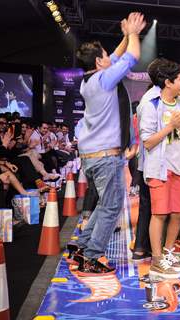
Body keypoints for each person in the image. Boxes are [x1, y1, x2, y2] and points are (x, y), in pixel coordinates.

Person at [71, 12, 146, 276]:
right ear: (99, 61)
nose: (109, 56)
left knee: (105, 204)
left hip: (91, 157)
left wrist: (126, 36)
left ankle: (81, 248)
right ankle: (92, 256)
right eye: (105, 54)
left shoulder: (89, 79)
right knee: (112, 206)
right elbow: (132, 57)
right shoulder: (105, 79)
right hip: (105, 157)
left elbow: (116, 54)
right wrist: (134, 33)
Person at [140, 57, 180, 279]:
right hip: (158, 168)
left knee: (178, 213)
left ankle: (168, 254)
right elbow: (147, 142)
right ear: (167, 82)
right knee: (160, 213)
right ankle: (156, 261)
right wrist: (170, 126)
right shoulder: (151, 105)